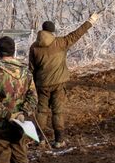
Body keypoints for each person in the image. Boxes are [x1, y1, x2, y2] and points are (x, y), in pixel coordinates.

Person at [29, 13, 99, 149]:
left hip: (42, 84)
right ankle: (59, 140)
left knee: (41, 111)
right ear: (52, 31)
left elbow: (31, 68)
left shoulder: (34, 47)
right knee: (57, 111)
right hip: (59, 83)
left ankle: (40, 140)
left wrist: (31, 85)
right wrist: (90, 21)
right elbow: (77, 34)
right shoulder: (60, 43)